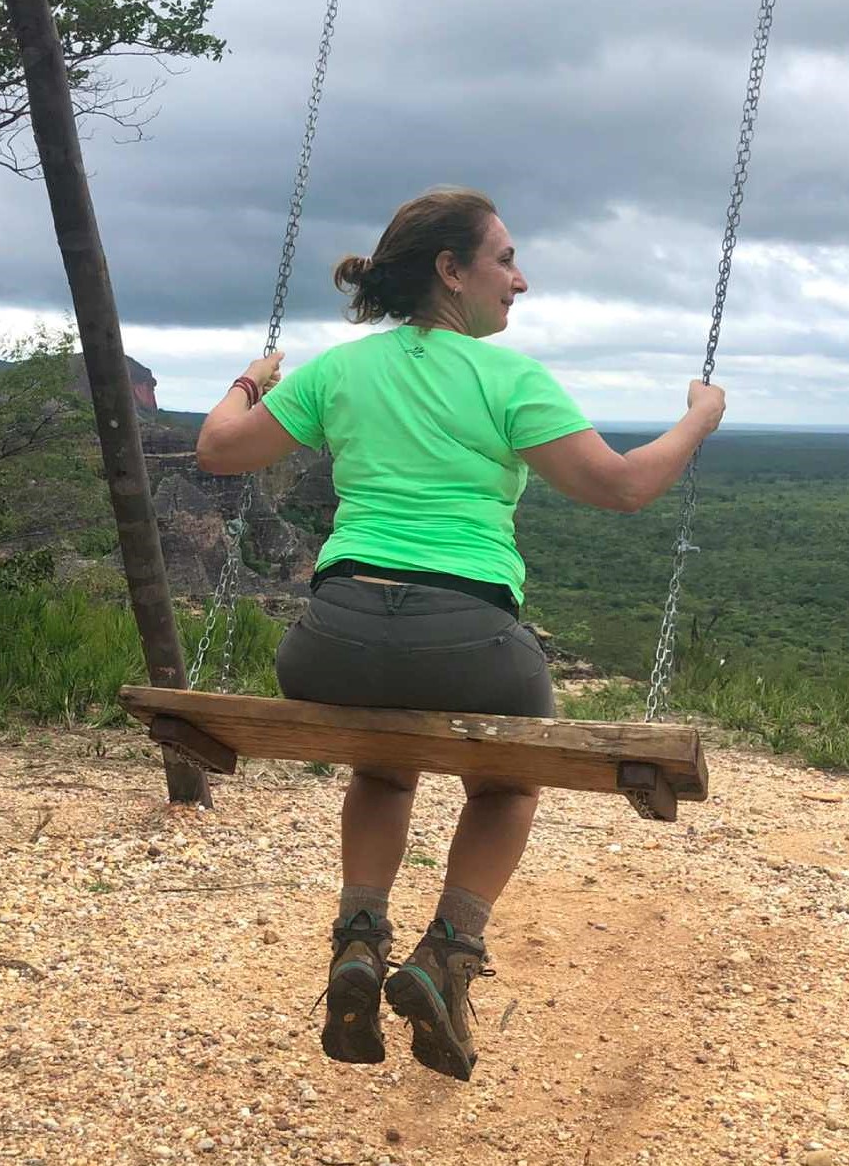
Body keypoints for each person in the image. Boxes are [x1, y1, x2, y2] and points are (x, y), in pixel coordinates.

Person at [195, 188, 726, 1081]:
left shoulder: (339, 371)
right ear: (450, 272)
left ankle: (358, 938)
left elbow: (217, 447)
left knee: (380, 758)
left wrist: (253, 379)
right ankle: (447, 954)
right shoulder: (510, 378)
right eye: (504, 260)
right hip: (468, 639)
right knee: (508, 780)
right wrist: (699, 418)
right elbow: (624, 486)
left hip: (331, 640)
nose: (521, 280)